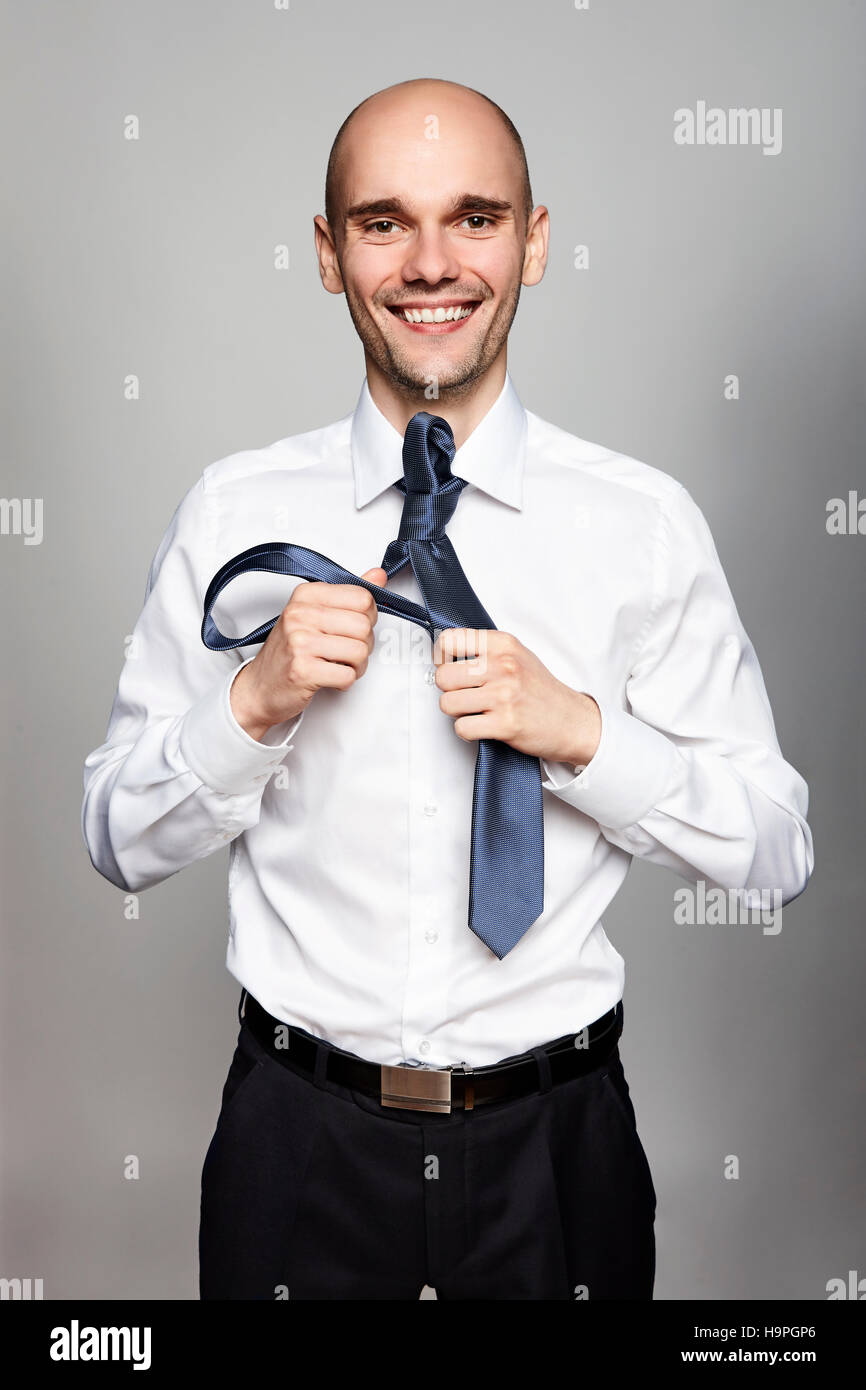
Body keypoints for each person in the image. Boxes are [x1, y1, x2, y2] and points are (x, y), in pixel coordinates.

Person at [81, 78, 814, 1300]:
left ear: (532, 239)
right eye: (382, 222)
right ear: (328, 253)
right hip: (295, 1141)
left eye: (474, 218)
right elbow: (115, 840)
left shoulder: (640, 525)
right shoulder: (234, 511)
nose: (430, 264)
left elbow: (776, 851)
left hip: (557, 1147)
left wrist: (583, 734)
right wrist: (249, 707)